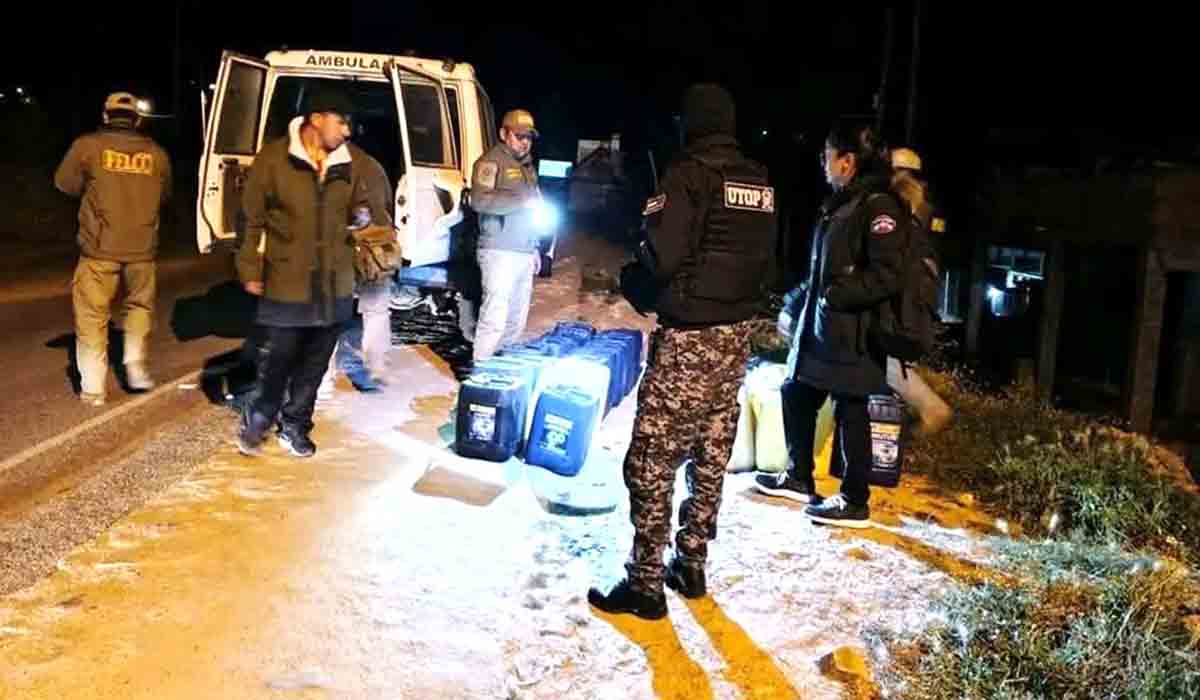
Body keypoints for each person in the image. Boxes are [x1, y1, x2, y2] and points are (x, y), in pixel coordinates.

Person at [588, 84, 776, 619]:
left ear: (692, 122)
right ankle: (691, 564)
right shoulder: (758, 180)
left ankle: (645, 584)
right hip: (737, 335)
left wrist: (633, 281)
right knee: (712, 452)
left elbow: (661, 256)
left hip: (690, 337)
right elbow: (765, 259)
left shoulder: (686, 173)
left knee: (652, 457)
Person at [754, 120, 908, 529]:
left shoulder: (879, 206)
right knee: (796, 391)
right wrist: (797, 302)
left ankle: (855, 499)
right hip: (826, 329)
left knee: (852, 409)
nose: (823, 165)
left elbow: (888, 274)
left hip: (854, 332)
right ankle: (800, 476)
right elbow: (825, 270)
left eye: (828, 157)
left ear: (848, 161)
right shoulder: (844, 203)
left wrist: (836, 296)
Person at [236, 89, 365, 458]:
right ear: (317, 118)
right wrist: (248, 267)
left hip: (334, 282)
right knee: (279, 359)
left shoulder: (350, 162)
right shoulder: (274, 160)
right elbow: (251, 218)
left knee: (314, 365)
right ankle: (260, 416)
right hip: (287, 279)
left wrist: (362, 216)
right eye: (341, 121)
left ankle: (294, 426)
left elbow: (365, 204)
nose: (347, 131)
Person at [54, 92, 172, 406]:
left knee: (92, 317)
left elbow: (64, 183)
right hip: (143, 249)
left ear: (106, 116)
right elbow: (165, 194)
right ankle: (135, 366)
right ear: (137, 119)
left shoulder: (87, 146)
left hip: (98, 250)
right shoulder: (157, 154)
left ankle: (94, 389)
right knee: (139, 308)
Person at [319, 145, 396, 395]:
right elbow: (386, 205)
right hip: (377, 252)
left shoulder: (325, 164)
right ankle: (377, 370)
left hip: (343, 250)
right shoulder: (372, 164)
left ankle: (323, 378)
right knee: (376, 312)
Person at [886, 147, 952, 436]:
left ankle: (931, 410)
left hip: (906, 300)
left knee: (880, 359)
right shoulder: (928, 211)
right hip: (921, 301)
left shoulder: (900, 206)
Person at [468, 109, 543, 362]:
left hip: (523, 251)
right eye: (519, 136)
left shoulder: (528, 168)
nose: (525, 142)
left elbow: (534, 210)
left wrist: (535, 249)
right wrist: (521, 200)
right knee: (495, 317)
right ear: (504, 134)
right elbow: (479, 200)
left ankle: (501, 367)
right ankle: (480, 369)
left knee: (516, 318)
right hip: (498, 250)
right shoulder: (490, 163)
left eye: (529, 137)